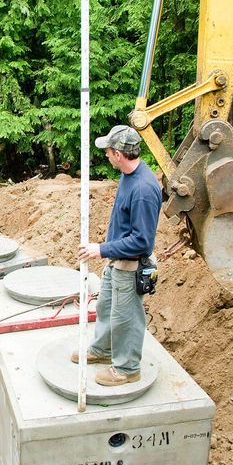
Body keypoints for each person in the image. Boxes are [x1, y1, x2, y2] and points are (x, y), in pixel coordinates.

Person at [73, 125, 162, 387]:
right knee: (106, 308)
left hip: (129, 265)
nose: (107, 156)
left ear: (119, 154)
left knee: (126, 318)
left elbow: (142, 240)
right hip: (116, 261)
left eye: (109, 151)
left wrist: (101, 249)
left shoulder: (144, 190)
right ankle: (103, 350)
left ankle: (127, 368)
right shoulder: (128, 175)